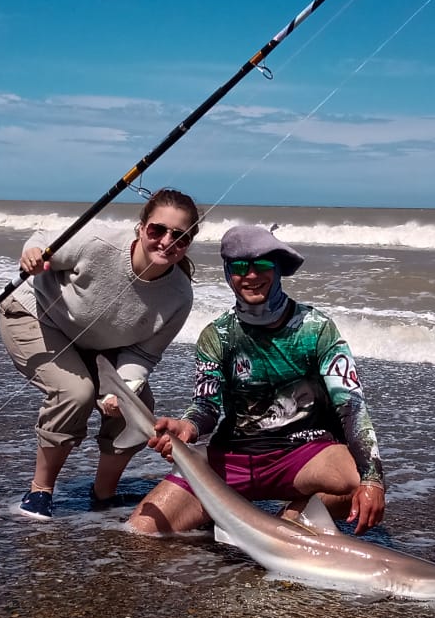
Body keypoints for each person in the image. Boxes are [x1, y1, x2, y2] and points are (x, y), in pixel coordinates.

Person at [128, 225, 385, 536]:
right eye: (239, 267)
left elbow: (351, 405)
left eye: (262, 265)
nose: (250, 275)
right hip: (233, 457)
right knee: (143, 530)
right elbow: (205, 406)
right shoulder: (218, 335)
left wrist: (372, 479)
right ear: (227, 272)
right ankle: (224, 513)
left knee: (360, 479)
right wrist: (188, 427)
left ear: (277, 270)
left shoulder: (316, 329)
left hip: (305, 455)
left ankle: (289, 521)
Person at [0, 188, 201, 519]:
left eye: (180, 237)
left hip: (100, 344)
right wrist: (32, 255)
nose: (167, 241)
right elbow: (40, 242)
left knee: (137, 408)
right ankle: (39, 493)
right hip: (36, 315)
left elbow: (143, 353)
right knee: (76, 393)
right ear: (141, 227)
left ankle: (103, 494)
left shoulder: (179, 296)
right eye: (158, 230)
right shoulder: (98, 242)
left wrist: (124, 388)